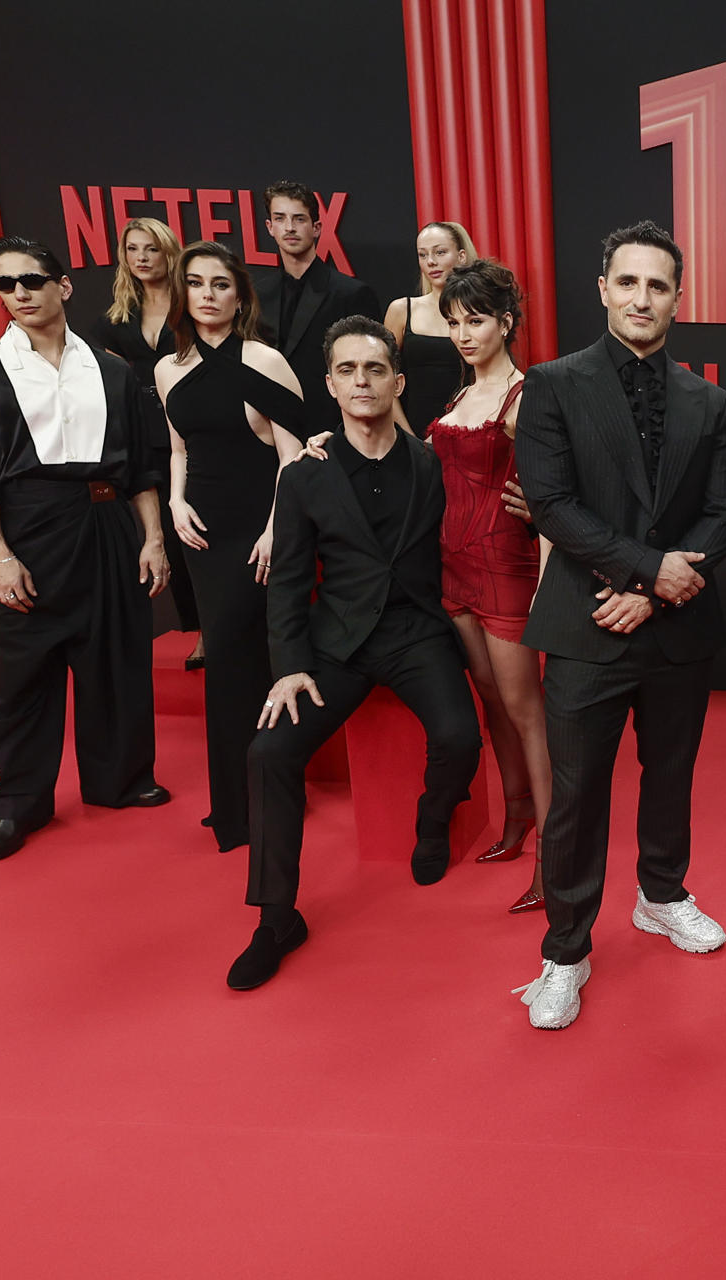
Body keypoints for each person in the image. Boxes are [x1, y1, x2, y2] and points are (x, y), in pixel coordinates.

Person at [509, 220, 726, 1030]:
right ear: (604, 289)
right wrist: (649, 570)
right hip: (587, 625)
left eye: (659, 285)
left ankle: (661, 895)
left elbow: (725, 513)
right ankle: (565, 951)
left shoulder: (710, 401)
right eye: (630, 282)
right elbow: (551, 504)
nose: (643, 298)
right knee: (576, 795)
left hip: (675, 626)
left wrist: (654, 592)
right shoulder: (552, 385)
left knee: (670, 774)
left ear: (678, 299)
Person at [227, 317, 484, 990]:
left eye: (374, 370)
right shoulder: (304, 475)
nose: (362, 381)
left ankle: (433, 821)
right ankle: (275, 919)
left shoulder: (431, 461)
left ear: (397, 382)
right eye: (348, 370)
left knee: (460, 736)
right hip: (336, 643)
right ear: (330, 385)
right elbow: (288, 582)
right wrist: (289, 668)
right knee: (268, 753)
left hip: (416, 633)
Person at [0, 235, 172, 861]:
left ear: (63, 286)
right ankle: (17, 805)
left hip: (107, 523)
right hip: (28, 530)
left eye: (31, 280)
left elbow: (141, 467)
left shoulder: (112, 370)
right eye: (4, 284)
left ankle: (121, 780)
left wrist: (152, 539)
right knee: (18, 676)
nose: (18, 293)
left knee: (117, 659)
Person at [156, 241, 306, 852]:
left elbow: (294, 458)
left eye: (221, 284)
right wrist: (175, 501)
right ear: (182, 293)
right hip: (201, 532)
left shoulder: (265, 360)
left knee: (245, 660)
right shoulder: (168, 369)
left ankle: (262, 797)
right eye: (195, 283)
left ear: (240, 296)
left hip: (258, 530)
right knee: (224, 659)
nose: (208, 295)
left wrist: (276, 528)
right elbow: (179, 449)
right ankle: (236, 802)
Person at [426, 259, 547, 913]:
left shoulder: (523, 396)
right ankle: (516, 816)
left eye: (474, 321)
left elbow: (556, 492)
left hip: (504, 566)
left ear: (504, 322)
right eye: (453, 323)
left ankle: (554, 856)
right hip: (454, 568)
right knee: (492, 702)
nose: (463, 334)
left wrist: (545, 547)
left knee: (528, 713)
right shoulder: (458, 399)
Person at [98, 216, 203, 666]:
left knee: (202, 533)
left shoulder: (192, 305)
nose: (141, 257)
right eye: (132, 249)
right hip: (143, 435)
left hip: (193, 429)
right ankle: (199, 629)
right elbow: (113, 384)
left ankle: (222, 629)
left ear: (168, 252)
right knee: (169, 540)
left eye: (151, 248)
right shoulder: (117, 317)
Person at [252, 181, 383, 433]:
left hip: (333, 430)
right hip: (270, 432)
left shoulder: (351, 294)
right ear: (269, 227)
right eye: (280, 218)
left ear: (317, 228)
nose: (289, 228)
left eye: (299, 219)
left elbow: (372, 369)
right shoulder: (257, 295)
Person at [386, 220, 477, 431]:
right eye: (423, 255)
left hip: (470, 431)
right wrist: (409, 440)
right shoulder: (401, 310)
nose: (431, 262)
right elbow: (384, 380)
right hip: (411, 434)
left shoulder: (480, 314)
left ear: (461, 256)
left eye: (440, 252)